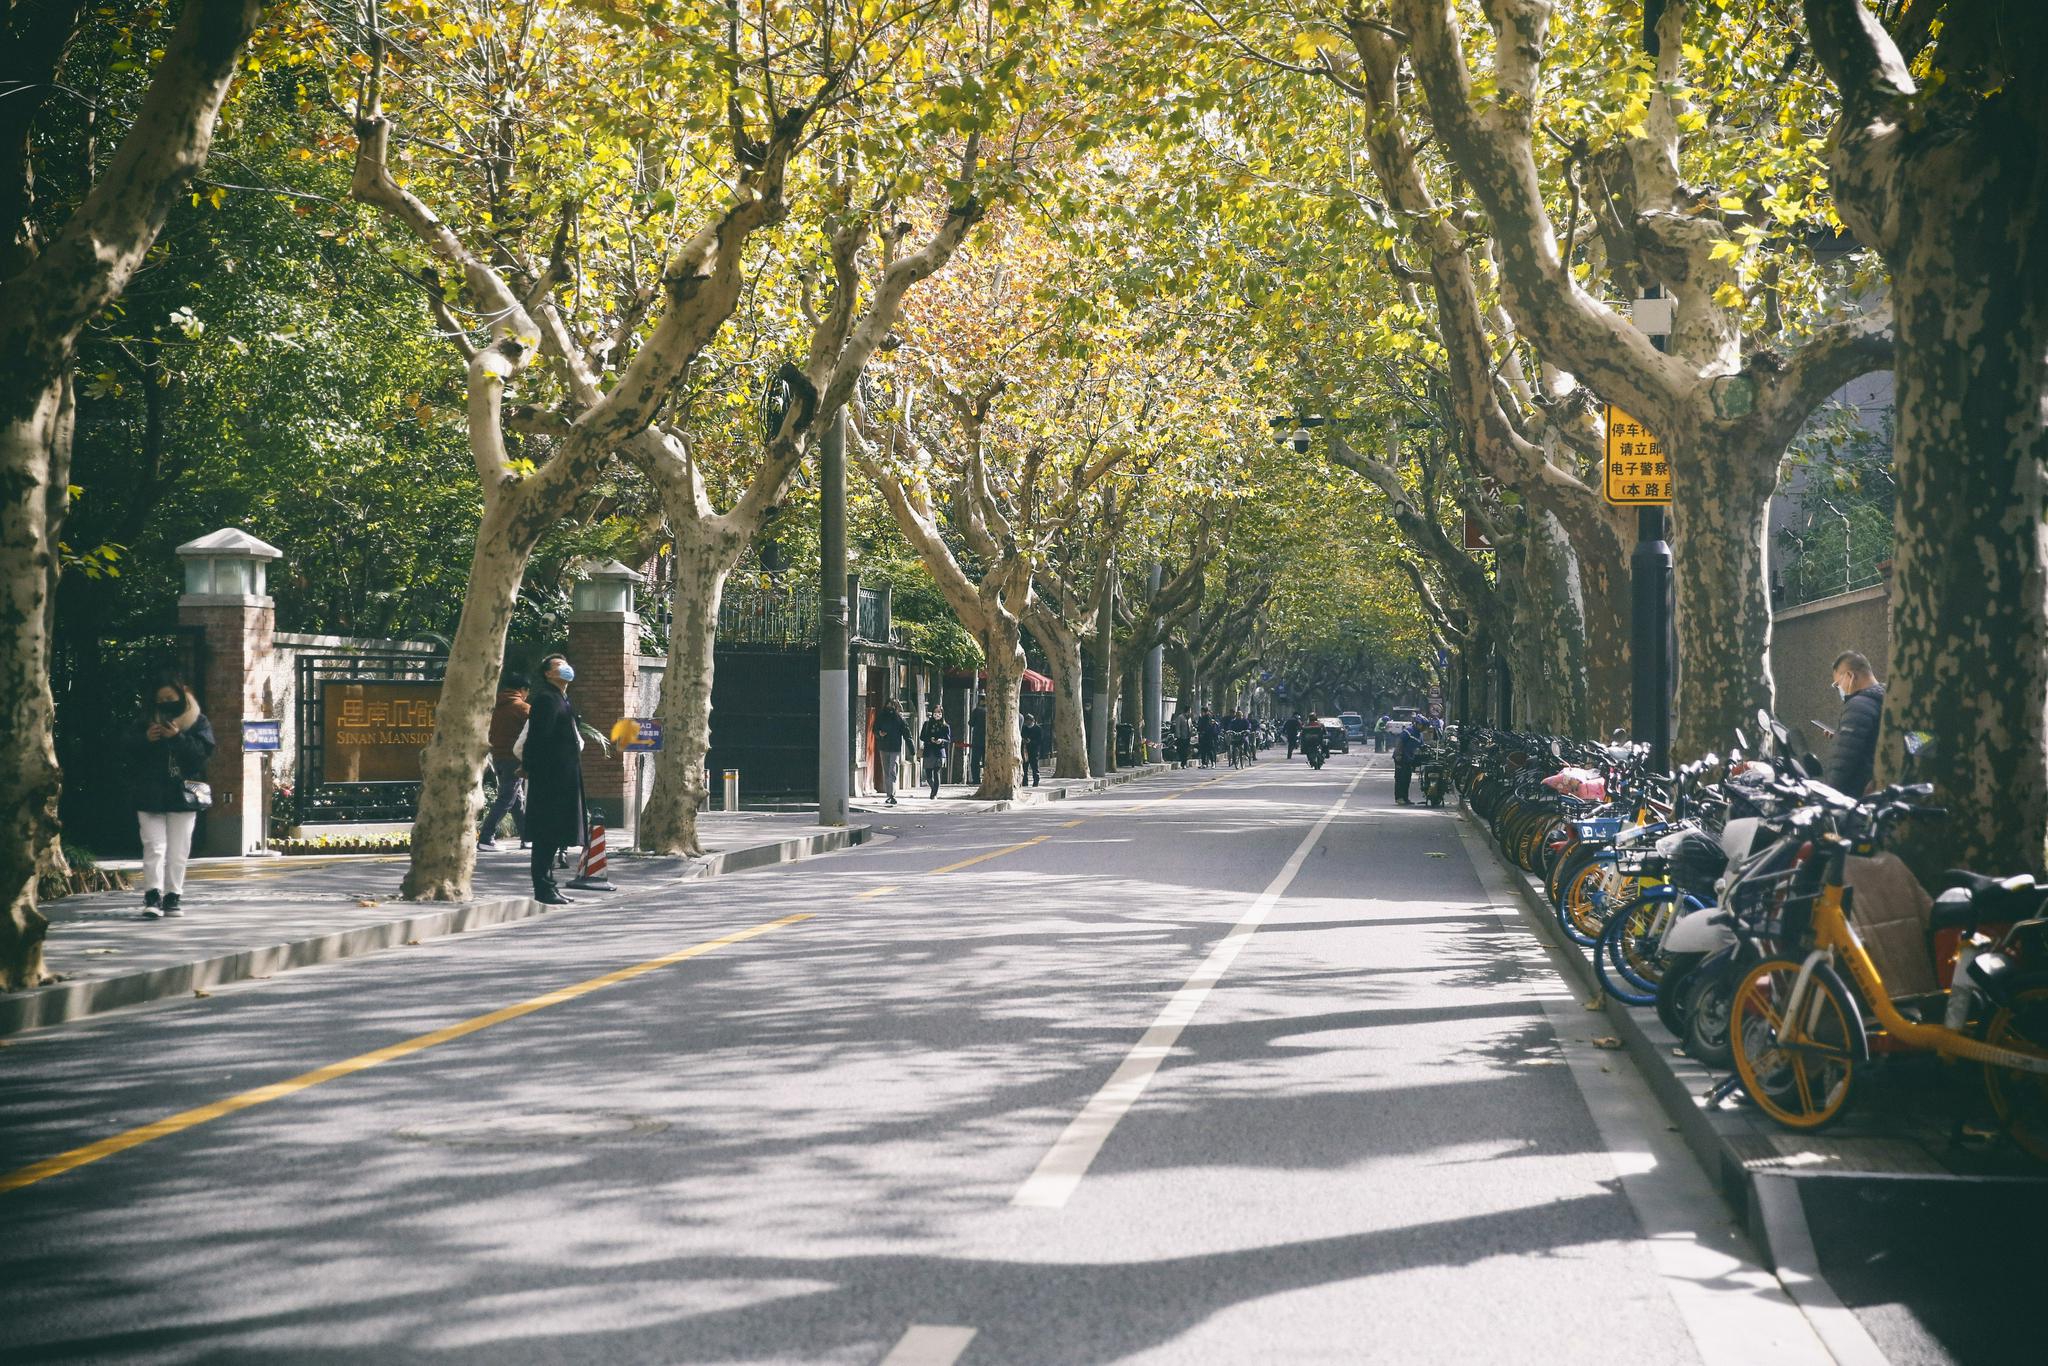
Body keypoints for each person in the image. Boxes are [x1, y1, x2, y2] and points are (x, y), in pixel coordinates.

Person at [132, 674, 216, 918]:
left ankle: (173, 896)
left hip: (183, 795)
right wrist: (145, 739)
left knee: (178, 850)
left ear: (181, 694)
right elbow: (126, 749)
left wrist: (178, 737)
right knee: (154, 846)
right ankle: (152, 896)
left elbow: (202, 755)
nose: (165, 703)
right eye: (160, 699)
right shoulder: (145, 720)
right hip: (150, 793)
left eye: (170, 698)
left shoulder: (198, 721)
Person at [520, 654, 586, 904]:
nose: (566, 668)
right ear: (548, 674)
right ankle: (543, 888)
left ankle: (550, 886)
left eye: (566, 663)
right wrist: (530, 766)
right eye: (559, 665)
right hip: (550, 779)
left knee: (555, 834)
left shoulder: (562, 698)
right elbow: (537, 738)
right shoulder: (546, 699)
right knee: (546, 835)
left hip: (564, 777)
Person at [1823, 650, 1887, 795]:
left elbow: (1842, 762)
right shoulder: (1887, 699)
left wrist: (1828, 793)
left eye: (1837, 684)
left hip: (1859, 793)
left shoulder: (1857, 705)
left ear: (1850, 676)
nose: (1839, 689)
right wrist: (1840, 738)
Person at [479, 674, 531, 849]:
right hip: (514, 758)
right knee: (507, 799)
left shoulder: (494, 706)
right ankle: (486, 837)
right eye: (527, 692)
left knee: (516, 799)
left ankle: (527, 837)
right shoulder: (523, 708)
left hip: (498, 756)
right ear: (522, 690)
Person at [874, 699, 910, 805]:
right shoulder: (881, 717)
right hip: (884, 747)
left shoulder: (899, 718)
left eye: (892, 706)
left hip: (895, 748)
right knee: (886, 772)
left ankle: (892, 794)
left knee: (892, 771)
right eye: (888, 705)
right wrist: (879, 733)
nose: (889, 708)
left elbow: (907, 733)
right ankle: (889, 794)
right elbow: (874, 729)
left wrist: (912, 748)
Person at [1393, 715, 1428, 804]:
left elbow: (1421, 746)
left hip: (1409, 759)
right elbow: (1399, 742)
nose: (1423, 728)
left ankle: (1405, 798)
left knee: (1407, 779)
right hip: (1401, 758)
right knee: (1400, 778)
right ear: (1417, 724)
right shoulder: (1408, 731)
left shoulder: (1419, 735)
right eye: (1422, 726)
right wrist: (1398, 755)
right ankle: (1399, 798)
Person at [920, 709, 953, 798]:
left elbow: (948, 739)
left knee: (936, 772)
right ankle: (933, 789)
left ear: (942, 714)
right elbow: (922, 737)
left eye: (939, 713)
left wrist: (941, 740)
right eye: (935, 713)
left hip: (939, 752)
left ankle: (934, 793)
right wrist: (929, 739)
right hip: (928, 751)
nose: (937, 715)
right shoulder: (927, 724)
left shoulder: (945, 726)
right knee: (928, 775)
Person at [1020, 712, 1044, 787]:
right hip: (1025, 750)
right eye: (1026, 721)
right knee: (1024, 767)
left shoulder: (1037, 729)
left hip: (1034, 751)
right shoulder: (1024, 728)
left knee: (1034, 767)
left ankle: (1036, 782)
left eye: (1029, 721)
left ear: (1032, 720)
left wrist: (1031, 742)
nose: (1027, 722)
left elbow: (1040, 740)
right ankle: (1025, 782)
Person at [968, 701, 987, 784]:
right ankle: (987, 779)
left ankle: (976, 780)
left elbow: (971, 723)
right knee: (986, 761)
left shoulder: (977, 710)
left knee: (975, 761)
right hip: (988, 740)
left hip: (977, 739)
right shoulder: (992, 711)